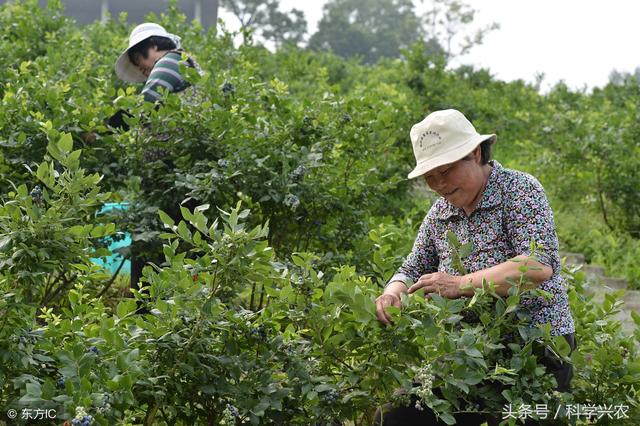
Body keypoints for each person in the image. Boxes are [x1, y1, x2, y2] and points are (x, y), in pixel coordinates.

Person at [373, 109, 576, 425]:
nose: (439, 184)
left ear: (476, 152)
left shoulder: (519, 190)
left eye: (447, 170)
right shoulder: (440, 214)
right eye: (431, 177)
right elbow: (412, 266)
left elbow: (537, 265)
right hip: (469, 350)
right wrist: (392, 292)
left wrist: (459, 284)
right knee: (397, 417)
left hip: (534, 347)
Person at [113, 23, 203, 294]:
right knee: (184, 250)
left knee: (149, 251)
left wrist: (103, 131)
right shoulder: (186, 64)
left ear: (153, 45)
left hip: (172, 180)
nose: (142, 70)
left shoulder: (170, 61)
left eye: (140, 61)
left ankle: (144, 320)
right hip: (185, 178)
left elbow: (143, 107)